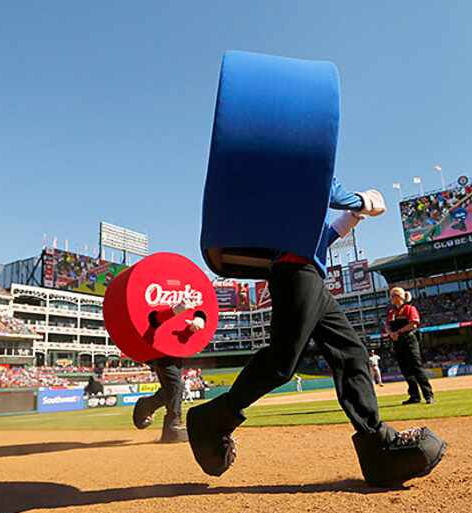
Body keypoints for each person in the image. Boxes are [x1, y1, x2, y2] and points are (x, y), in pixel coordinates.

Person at [189, 183, 447, 486]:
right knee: (283, 362)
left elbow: (318, 236)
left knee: (352, 353)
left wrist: (353, 215)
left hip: (308, 271)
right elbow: (323, 189)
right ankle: (212, 420)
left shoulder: (299, 205)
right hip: (295, 272)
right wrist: (361, 200)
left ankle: (377, 447)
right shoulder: (295, 166)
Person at [133, 305, 206, 443]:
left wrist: (199, 319)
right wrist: (176, 309)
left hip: (175, 349)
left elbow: (204, 310)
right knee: (175, 385)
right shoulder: (158, 300)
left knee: (171, 390)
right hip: (160, 349)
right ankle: (173, 423)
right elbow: (154, 318)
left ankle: (148, 405)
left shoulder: (190, 294)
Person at [386, 287, 434, 405]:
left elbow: (413, 324)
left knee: (416, 367)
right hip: (397, 342)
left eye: (392, 296)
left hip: (409, 340)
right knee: (405, 370)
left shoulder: (409, 309)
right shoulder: (391, 312)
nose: (391, 298)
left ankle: (428, 395)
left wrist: (398, 332)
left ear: (399, 297)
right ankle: (414, 396)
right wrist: (391, 333)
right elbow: (387, 325)